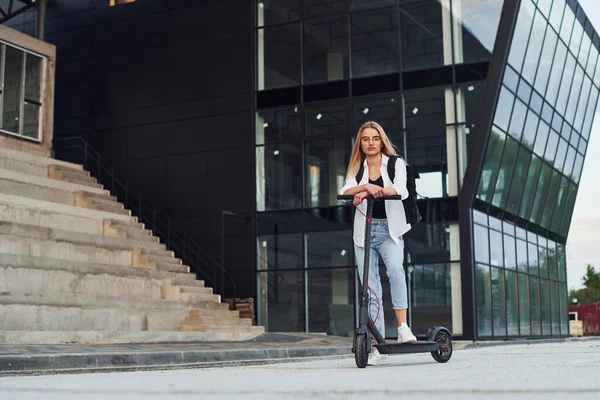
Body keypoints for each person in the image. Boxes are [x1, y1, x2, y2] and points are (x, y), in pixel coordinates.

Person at [339, 121, 417, 365]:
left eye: (375, 138)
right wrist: (364, 187)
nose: (370, 143)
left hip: (389, 230)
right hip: (363, 232)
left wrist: (372, 192)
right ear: (360, 143)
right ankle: (377, 346)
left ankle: (403, 327)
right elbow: (345, 190)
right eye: (365, 139)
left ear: (382, 140)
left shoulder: (395, 163)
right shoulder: (356, 167)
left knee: (395, 270)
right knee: (370, 290)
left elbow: (401, 190)